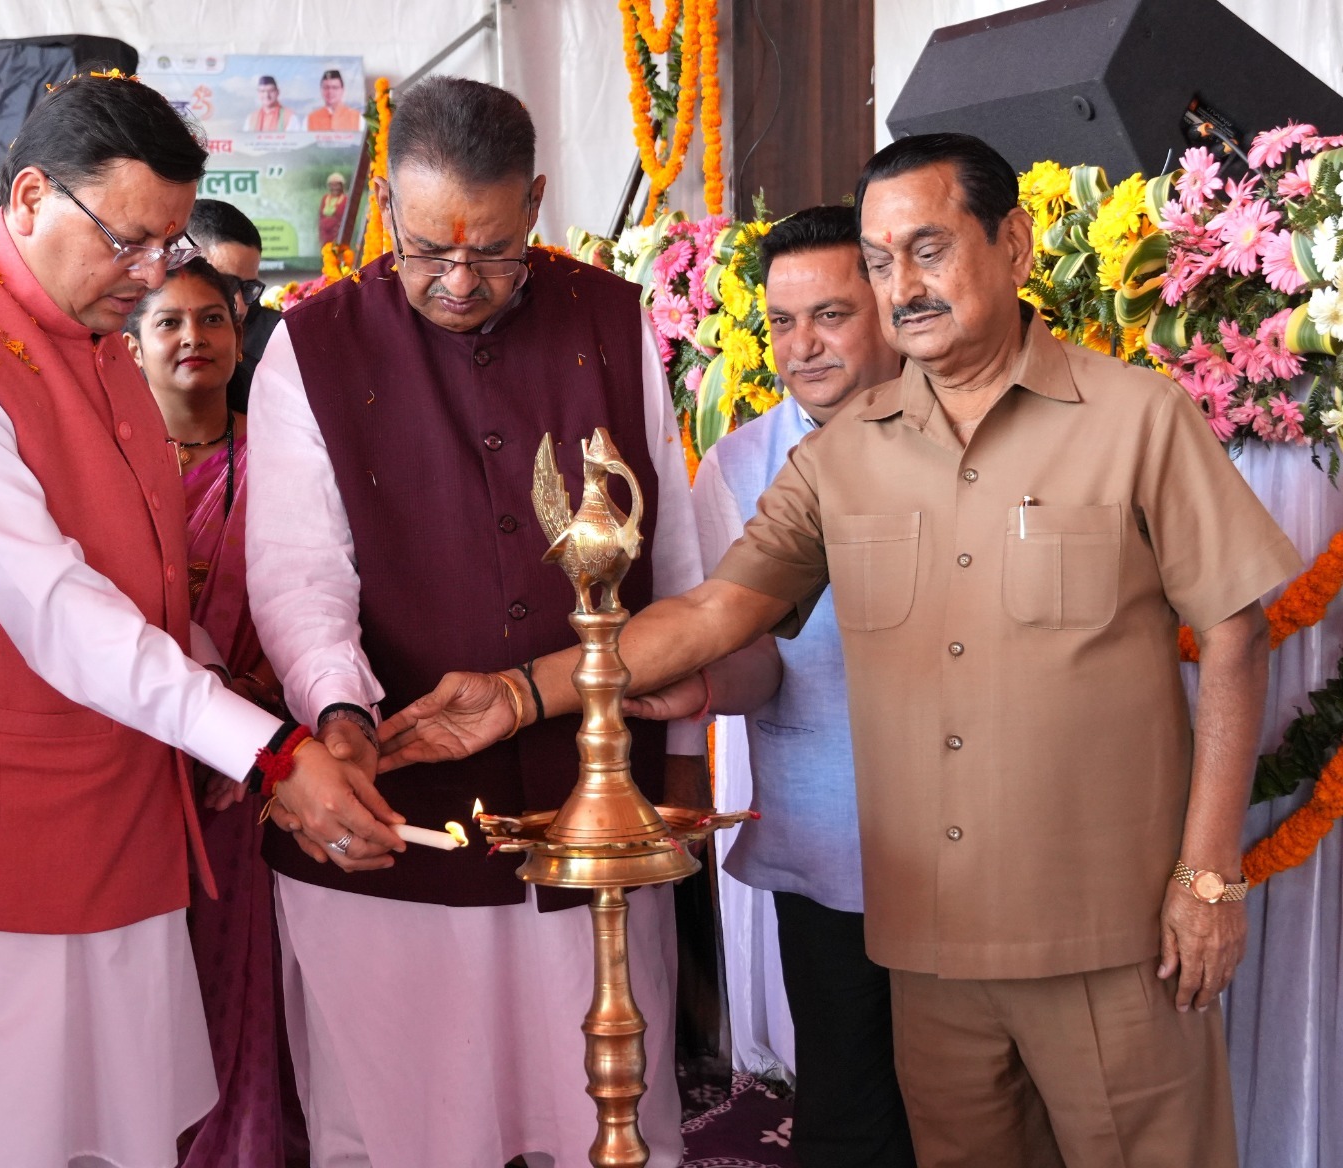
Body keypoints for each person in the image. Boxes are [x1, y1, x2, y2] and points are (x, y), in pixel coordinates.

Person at [381, 131, 1301, 1168]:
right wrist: (518, 693)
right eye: (878, 261)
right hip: (927, 949)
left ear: (1012, 243)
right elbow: (713, 612)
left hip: (1107, 937)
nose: (902, 285)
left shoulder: (1135, 417)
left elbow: (1236, 632)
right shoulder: (842, 457)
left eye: (927, 249)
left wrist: (1208, 877)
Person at [0, 72, 374, 1168]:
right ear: (30, 196)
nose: (151, 273)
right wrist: (265, 750)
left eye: (169, 245)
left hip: (124, 824)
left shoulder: (95, 336)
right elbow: (60, 612)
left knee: (124, 1137)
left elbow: (142, 587)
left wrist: (245, 701)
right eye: (127, 241)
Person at [244, 75, 705, 1168]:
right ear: (383, 209)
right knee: (406, 1123)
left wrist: (683, 764)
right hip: (394, 816)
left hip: (590, 801)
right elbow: (301, 574)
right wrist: (341, 712)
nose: (458, 280)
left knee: (596, 1112)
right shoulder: (312, 344)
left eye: (495, 252)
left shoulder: (610, 318)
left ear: (536, 202)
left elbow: (681, 560)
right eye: (424, 250)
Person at [658, 205, 914, 1167]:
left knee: (979, 1110)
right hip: (830, 833)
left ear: (891, 306)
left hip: (978, 845)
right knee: (846, 1103)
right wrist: (692, 685)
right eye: (781, 322)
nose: (801, 347)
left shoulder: (972, 434)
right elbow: (751, 659)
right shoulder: (739, 464)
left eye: (830, 315)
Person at [123, 258, 306, 1168]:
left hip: (250, 764)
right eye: (168, 322)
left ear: (241, 339)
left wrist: (250, 721)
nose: (192, 338)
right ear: (132, 346)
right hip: (133, 761)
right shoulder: (109, 466)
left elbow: (310, 599)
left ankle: (241, 1143)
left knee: (243, 958)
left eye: (212, 320)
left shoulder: (284, 461)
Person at [188, 197, 279, 414]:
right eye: (225, 283)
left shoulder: (280, 338)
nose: (239, 306)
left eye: (249, 288)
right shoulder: (133, 335)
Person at [317, 171, 346, 246]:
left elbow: (345, 219)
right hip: (324, 234)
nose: (334, 188)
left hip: (336, 234)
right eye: (332, 185)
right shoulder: (325, 198)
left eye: (337, 185)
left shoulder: (345, 199)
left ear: (342, 186)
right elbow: (320, 217)